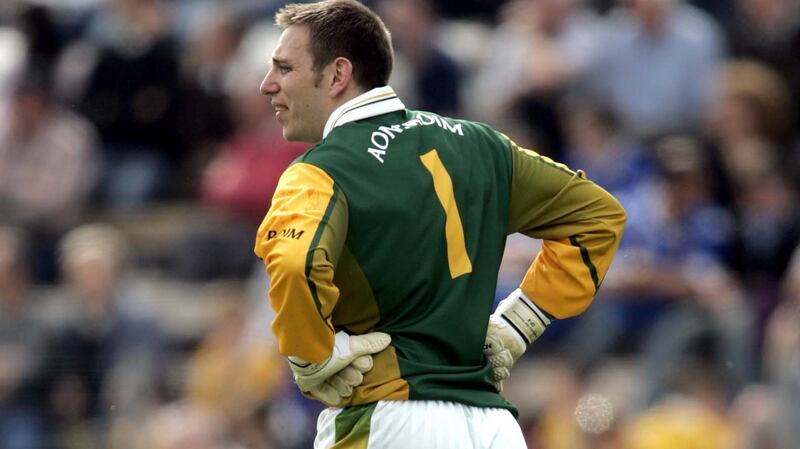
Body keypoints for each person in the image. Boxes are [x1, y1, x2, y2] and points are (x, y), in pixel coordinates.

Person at [252, 1, 626, 448]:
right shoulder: (482, 144)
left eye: (284, 68)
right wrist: (520, 321)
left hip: (389, 419)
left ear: (337, 76)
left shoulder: (319, 170)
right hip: (494, 427)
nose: (266, 84)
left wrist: (312, 358)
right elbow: (598, 216)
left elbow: (295, 264)